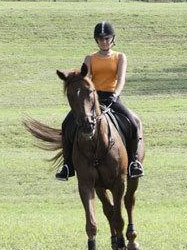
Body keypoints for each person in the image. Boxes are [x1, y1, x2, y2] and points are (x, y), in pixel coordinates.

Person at [55, 21, 144, 181]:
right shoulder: (90, 58)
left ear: (112, 39)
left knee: (133, 122)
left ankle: (133, 162)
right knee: (66, 124)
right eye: (101, 39)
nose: (104, 41)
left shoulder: (120, 57)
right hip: (93, 99)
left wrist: (116, 94)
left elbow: (121, 79)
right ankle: (67, 166)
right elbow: (86, 78)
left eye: (107, 38)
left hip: (112, 97)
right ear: (97, 40)